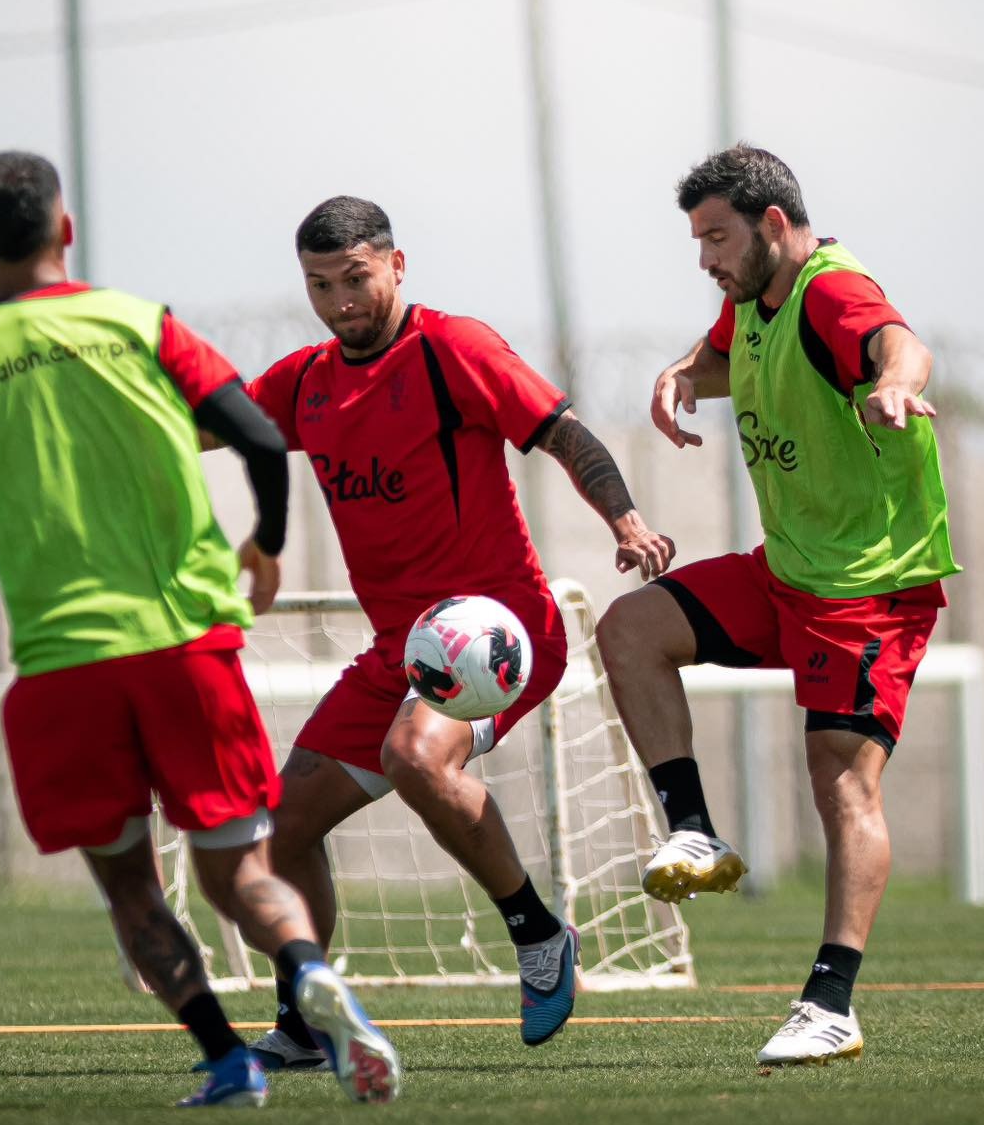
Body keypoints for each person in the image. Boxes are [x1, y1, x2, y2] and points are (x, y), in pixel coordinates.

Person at [0, 152, 399, 1107]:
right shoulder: (139, 325)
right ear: (64, 229)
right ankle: (308, 976)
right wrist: (268, 545)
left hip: (65, 665)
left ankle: (226, 1059)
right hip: (189, 649)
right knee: (243, 873)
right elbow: (256, 434)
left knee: (132, 891)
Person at [241, 195, 674, 1069]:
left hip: (497, 629)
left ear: (397, 266)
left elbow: (565, 433)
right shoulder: (307, 382)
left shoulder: (454, 350)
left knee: (415, 758)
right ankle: (310, 1020)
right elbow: (207, 425)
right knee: (283, 829)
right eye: (320, 285)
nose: (340, 301)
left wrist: (625, 521)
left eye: (355, 278)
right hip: (399, 649)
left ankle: (537, 932)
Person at [597, 144, 958, 1066]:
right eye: (696, 240)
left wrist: (894, 386)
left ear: (772, 226)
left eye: (715, 237)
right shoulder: (753, 298)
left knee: (841, 782)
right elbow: (721, 348)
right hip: (788, 572)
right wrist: (681, 374)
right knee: (631, 628)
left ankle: (831, 1003)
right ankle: (693, 830)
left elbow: (898, 343)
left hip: (867, 589)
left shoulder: (832, 291)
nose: (705, 258)